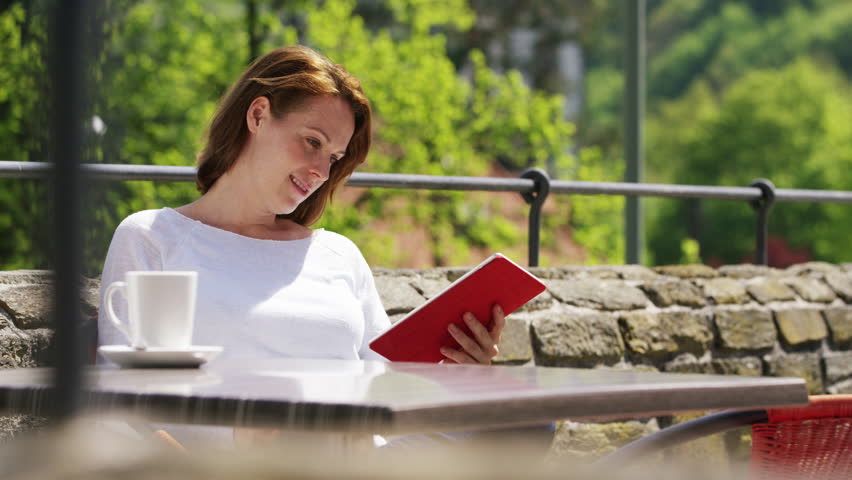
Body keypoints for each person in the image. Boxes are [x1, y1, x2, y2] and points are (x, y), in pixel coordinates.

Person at [97, 45, 509, 449]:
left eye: (334, 158)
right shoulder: (153, 237)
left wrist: (460, 373)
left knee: (520, 429)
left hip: (358, 458)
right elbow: (124, 406)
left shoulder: (338, 254)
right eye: (312, 142)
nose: (320, 171)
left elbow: (387, 390)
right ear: (258, 115)